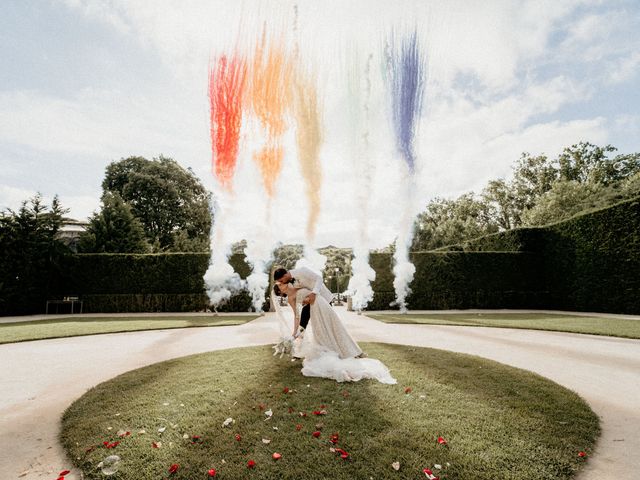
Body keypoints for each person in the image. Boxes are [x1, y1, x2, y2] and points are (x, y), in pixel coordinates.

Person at [273, 267, 396, 384]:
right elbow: (297, 315)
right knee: (323, 330)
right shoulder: (292, 285)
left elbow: (318, 279)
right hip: (313, 305)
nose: (281, 283)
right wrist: (295, 332)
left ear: (284, 276)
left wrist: (313, 294)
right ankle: (337, 350)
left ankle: (353, 351)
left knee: (333, 326)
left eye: (281, 281)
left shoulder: (302, 271)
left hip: (321, 298)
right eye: (279, 284)